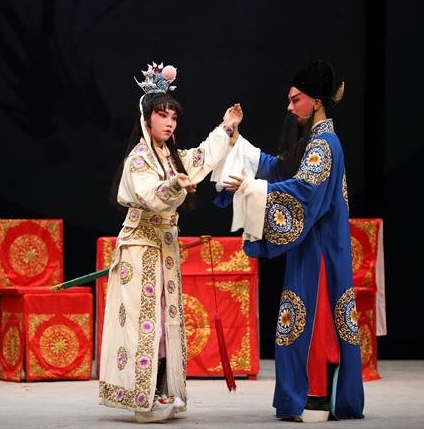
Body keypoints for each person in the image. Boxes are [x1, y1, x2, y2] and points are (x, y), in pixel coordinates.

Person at [214, 60, 364, 422]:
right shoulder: (313, 142)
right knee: (299, 320)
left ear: (316, 102)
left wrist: (253, 189)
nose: (290, 106)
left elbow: (304, 191)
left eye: (296, 99)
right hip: (312, 247)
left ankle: (317, 397)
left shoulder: (324, 145)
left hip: (322, 251)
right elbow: (280, 168)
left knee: (315, 321)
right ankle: (310, 396)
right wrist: (235, 142)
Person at [98, 61, 243, 423]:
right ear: (146, 119)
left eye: (173, 117)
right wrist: (174, 185)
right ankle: (142, 401)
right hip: (139, 250)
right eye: (162, 115)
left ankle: (161, 391)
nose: (169, 123)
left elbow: (202, 158)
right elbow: (150, 195)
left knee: (164, 326)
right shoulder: (139, 160)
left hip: (162, 250)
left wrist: (227, 127)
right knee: (142, 325)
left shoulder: (171, 156)